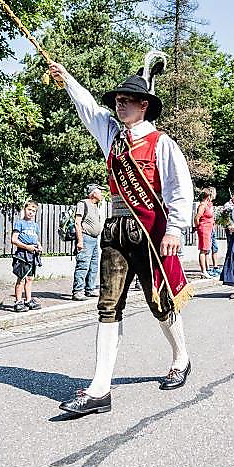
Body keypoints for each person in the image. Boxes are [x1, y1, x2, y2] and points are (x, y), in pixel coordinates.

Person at [49, 59, 195, 416]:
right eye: (118, 99)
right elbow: (88, 108)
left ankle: (181, 356)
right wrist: (66, 77)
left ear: (143, 105)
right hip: (115, 230)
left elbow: (179, 188)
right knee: (107, 306)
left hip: (150, 234)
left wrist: (174, 229)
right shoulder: (112, 137)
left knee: (159, 304)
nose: (120, 104)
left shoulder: (162, 143)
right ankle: (100, 388)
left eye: (127, 99)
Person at [72, 184, 104, 300]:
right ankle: (78, 291)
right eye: (100, 192)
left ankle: (89, 289)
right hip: (85, 238)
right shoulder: (83, 204)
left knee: (93, 265)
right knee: (83, 265)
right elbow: (77, 223)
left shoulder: (95, 206)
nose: (101, 194)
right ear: (93, 193)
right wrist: (80, 241)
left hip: (94, 239)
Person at [11, 201, 43, 312]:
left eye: (34, 211)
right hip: (22, 255)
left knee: (30, 279)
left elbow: (36, 239)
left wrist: (39, 246)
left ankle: (28, 300)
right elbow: (14, 240)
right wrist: (26, 247)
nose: (31, 213)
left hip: (33, 255)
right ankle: (18, 302)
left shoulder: (35, 225)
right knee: (21, 279)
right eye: (29, 210)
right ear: (24, 209)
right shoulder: (19, 223)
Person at [194, 187, 215, 277]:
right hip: (204, 229)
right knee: (203, 250)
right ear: (208, 196)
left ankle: (207, 268)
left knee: (206, 250)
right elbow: (197, 217)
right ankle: (203, 270)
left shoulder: (208, 205)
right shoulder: (202, 206)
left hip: (208, 229)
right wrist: (198, 227)